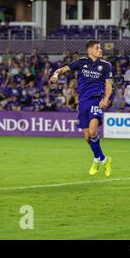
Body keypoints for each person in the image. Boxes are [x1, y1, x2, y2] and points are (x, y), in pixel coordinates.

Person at [50, 41, 113, 177]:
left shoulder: (105, 66)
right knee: (86, 137)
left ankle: (96, 160)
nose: (100, 50)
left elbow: (109, 85)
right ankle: (104, 159)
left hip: (96, 100)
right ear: (90, 51)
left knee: (92, 132)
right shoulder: (81, 62)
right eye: (97, 48)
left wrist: (106, 99)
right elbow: (62, 69)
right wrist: (56, 75)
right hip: (82, 103)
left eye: (100, 48)